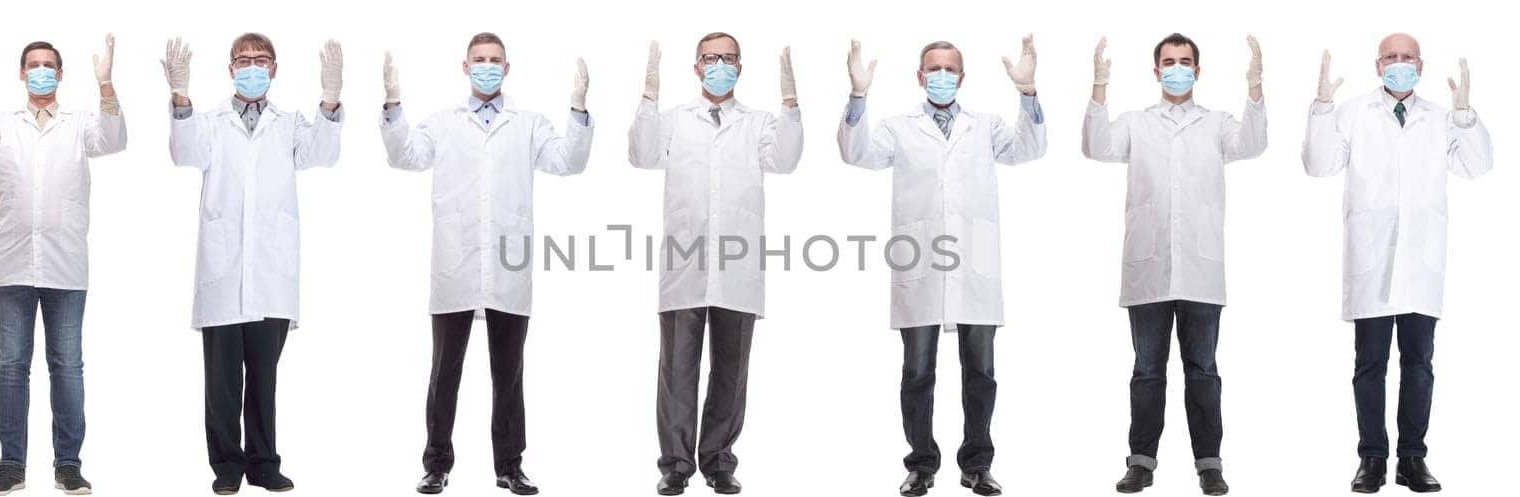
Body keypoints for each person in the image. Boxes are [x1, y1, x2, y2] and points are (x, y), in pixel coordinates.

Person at [381, 32, 594, 496]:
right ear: (464, 67)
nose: (487, 66)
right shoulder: (442, 122)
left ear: (507, 68)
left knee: (509, 374)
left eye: (495, 60)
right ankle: (436, 464)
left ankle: (509, 466)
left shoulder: (529, 123)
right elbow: (405, 157)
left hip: (507, 269)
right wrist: (394, 108)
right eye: (479, 60)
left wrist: (577, 111)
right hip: (455, 267)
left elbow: (568, 163)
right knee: (444, 374)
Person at [836, 36, 1047, 497]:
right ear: (919, 76)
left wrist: (1028, 93)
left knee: (982, 373)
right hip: (922, 267)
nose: (942, 76)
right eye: (934, 68)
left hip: (975, 266)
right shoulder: (898, 127)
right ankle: (921, 464)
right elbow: (857, 155)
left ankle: (977, 464)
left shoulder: (986, 126)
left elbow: (1028, 151)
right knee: (917, 372)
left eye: (950, 69)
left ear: (963, 78)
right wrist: (858, 96)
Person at [1303, 33, 1492, 495]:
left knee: (1419, 364)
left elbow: (1478, 165)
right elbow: (1317, 164)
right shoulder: (1352, 113)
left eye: (1407, 57)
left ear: (1421, 65)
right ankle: (1372, 459)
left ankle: (1412, 459)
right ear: (1377, 65)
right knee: (1369, 364)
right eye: (1391, 57)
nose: (1399, 63)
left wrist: (1466, 116)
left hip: (1421, 262)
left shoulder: (1441, 118)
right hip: (1371, 260)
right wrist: (1322, 108)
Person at [1082, 33, 1268, 496]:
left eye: (1185, 62)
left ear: (1198, 72)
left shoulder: (1217, 123)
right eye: (1169, 61)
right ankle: (1141, 462)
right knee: (1147, 369)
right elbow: (1095, 146)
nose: (1177, 68)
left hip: (1201, 271)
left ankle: (1209, 463)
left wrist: (1255, 89)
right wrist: (1099, 86)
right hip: (1148, 270)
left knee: (1203, 369)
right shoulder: (1135, 124)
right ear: (1156, 71)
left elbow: (1253, 143)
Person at [162, 33, 344, 495]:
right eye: (243, 60)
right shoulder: (209, 123)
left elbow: (322, 155)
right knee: (222, 383)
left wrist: (330, 98)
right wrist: (180, 97)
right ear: (229, 69)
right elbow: (185, 154)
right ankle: (227, 467)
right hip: (223, 274)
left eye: (261, 60)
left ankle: (264, 464)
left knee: (264, 380)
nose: (252, 67)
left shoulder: (290, 125)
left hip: (272, 275)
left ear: (275, 69)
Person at [628, 32, 803, 496]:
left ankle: (719, 462)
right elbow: (641, 156)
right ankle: (677, 465)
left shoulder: (758, 122)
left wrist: (790, 101)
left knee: (731, 371)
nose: (718, 65)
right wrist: (648, 96)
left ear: (740, 67)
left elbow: (785, 160)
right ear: (696, 66)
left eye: (727, 58)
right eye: (710, 58)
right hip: (684, 267)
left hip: (738, 269)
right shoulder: (672, 121)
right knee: (677, 372)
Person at [0, 33, 125, 497]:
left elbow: (114, 140)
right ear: (20, 73)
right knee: (11, 365)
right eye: (32, 64)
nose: (40, 70)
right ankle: (11, 465)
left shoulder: (79, 124)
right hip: (11, 264)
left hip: (66, 264)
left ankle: (68, 466)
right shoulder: (1, 124)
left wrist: (107, 84)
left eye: (48, 64)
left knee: (67, 366)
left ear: (61, 72)